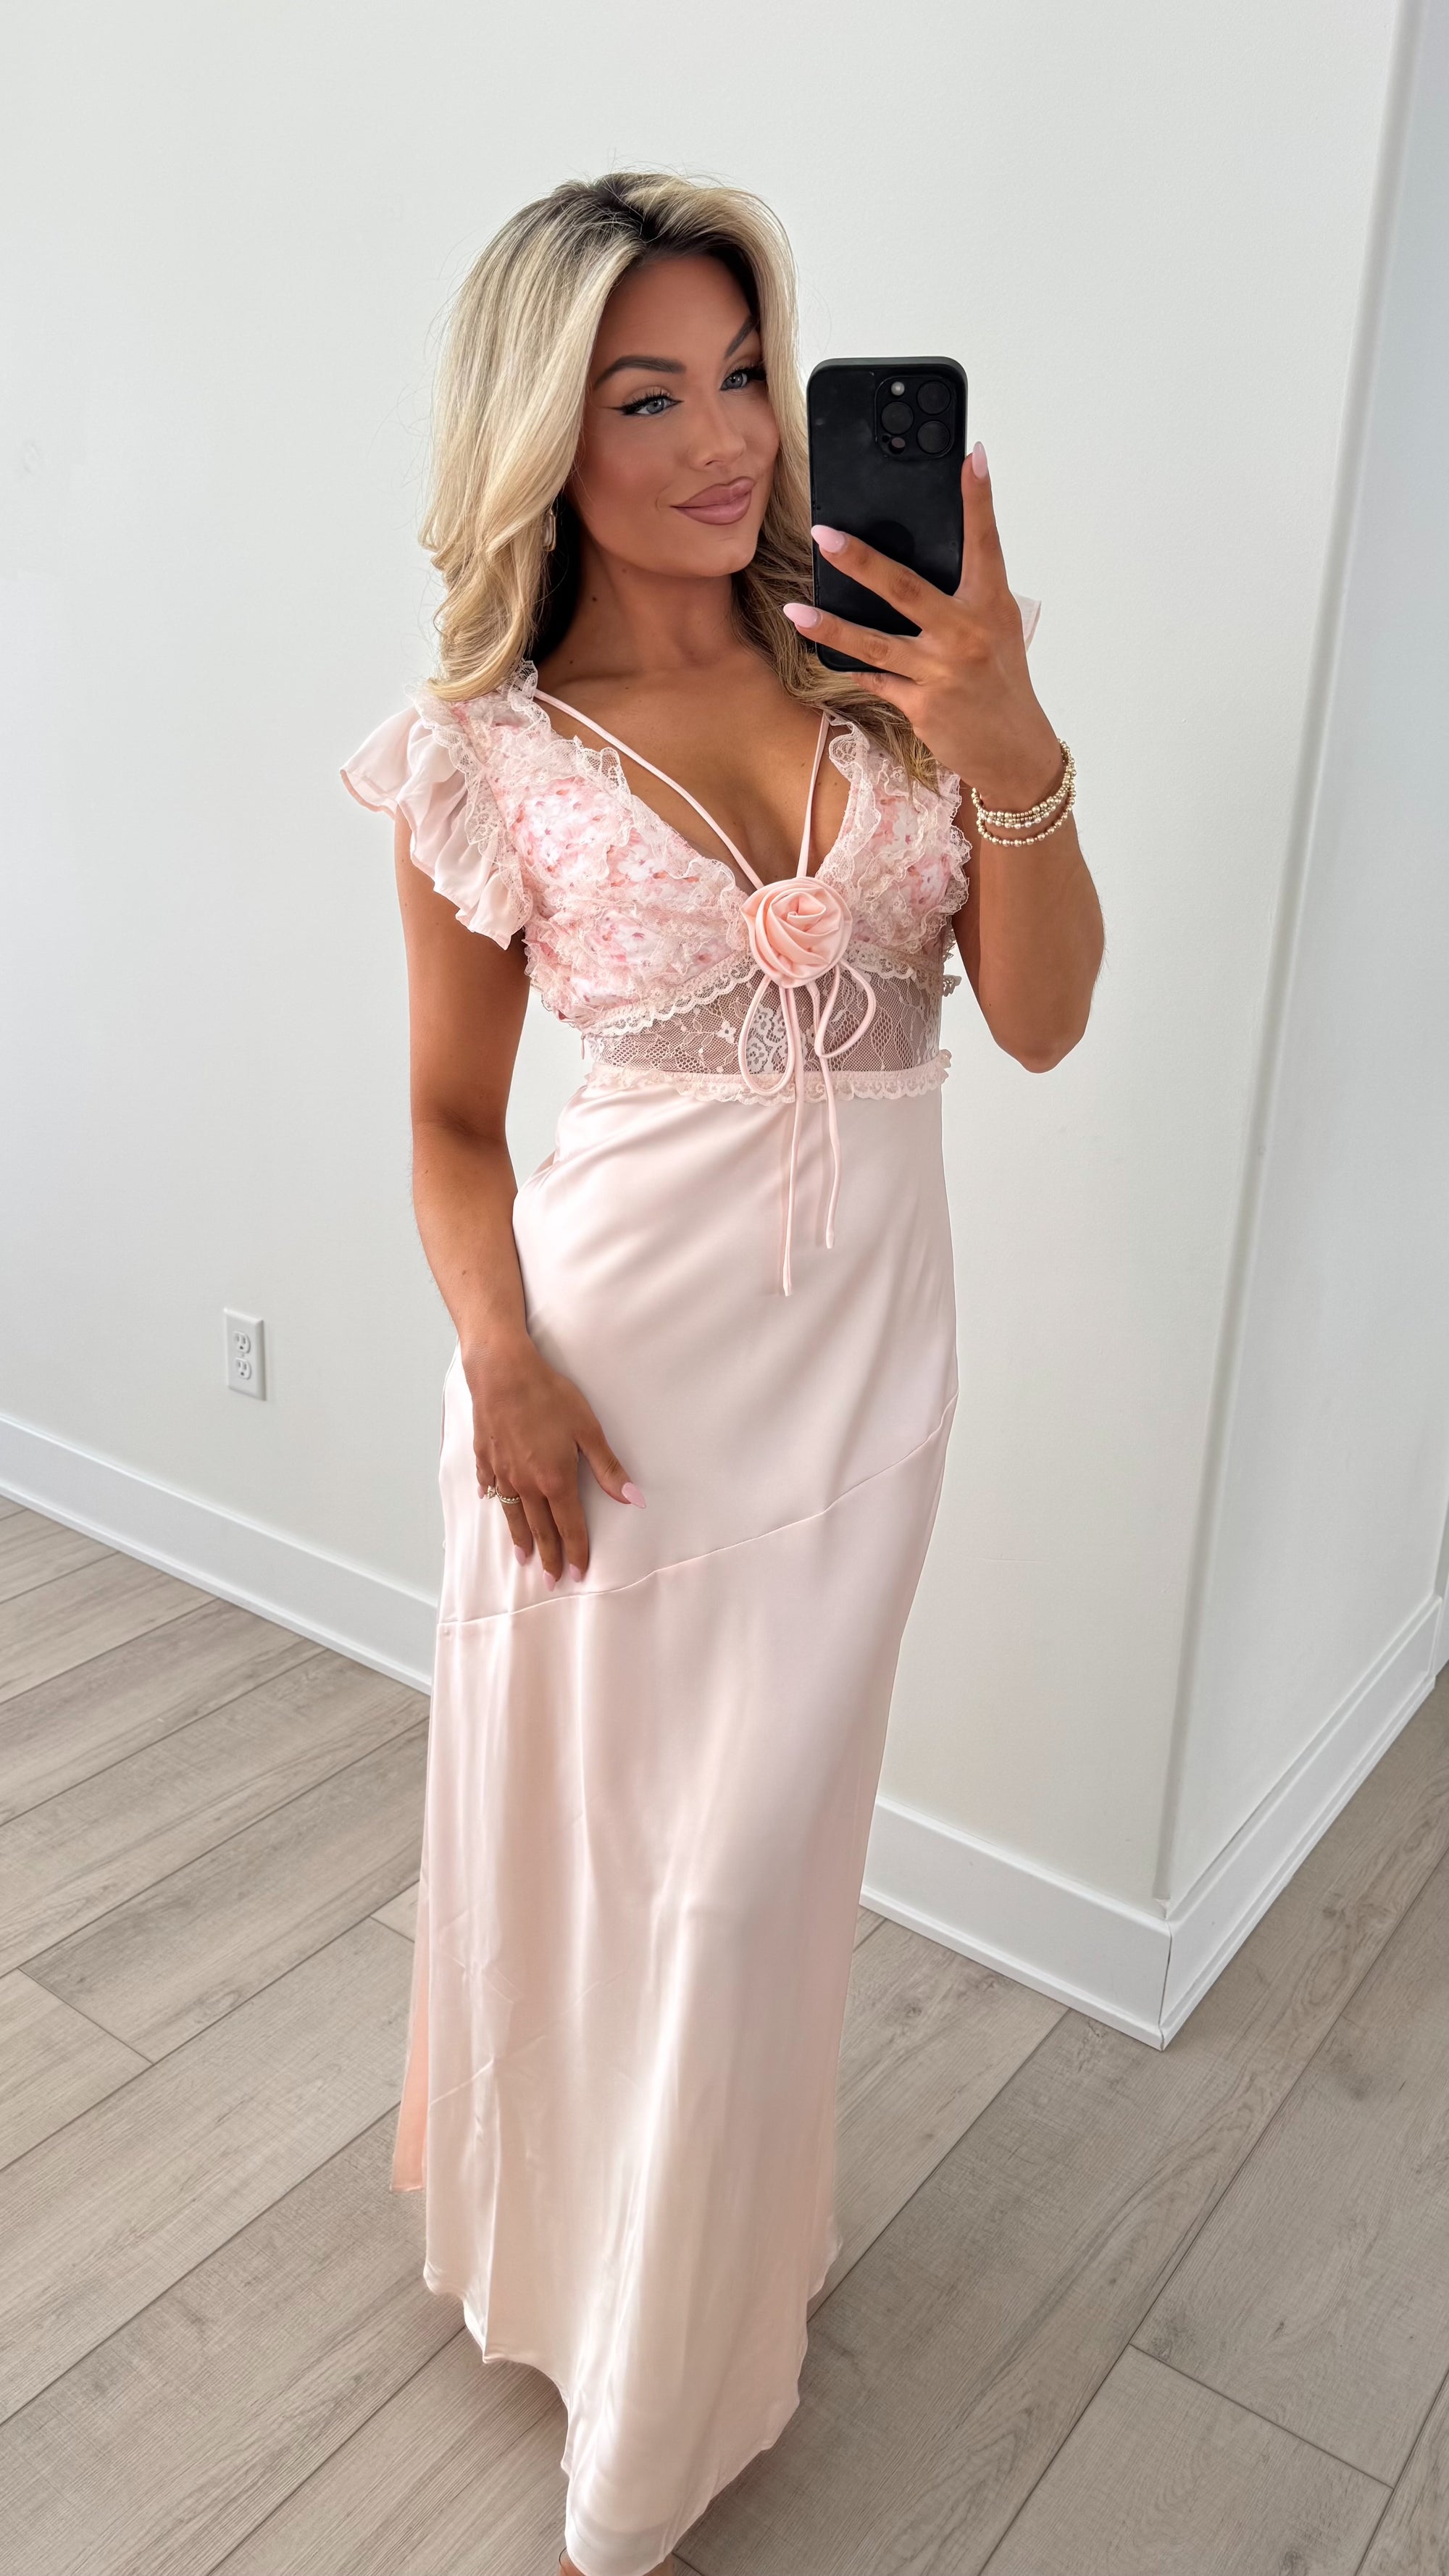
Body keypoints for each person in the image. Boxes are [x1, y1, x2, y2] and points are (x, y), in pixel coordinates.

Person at [341, 169, 1102, 2576]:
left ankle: (688, 2311)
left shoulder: (892, 675)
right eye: (644, 394)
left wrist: (1012, 730)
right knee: (617, 1883)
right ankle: (608, 2351)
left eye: (746, 374)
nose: (722, 437)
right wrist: (500, 1360)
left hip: (857, 1396)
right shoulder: (487, 750)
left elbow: (1046, 1019)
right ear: (543, 434)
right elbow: (451, 1127)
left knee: (752, 1886)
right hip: (595, 1393)